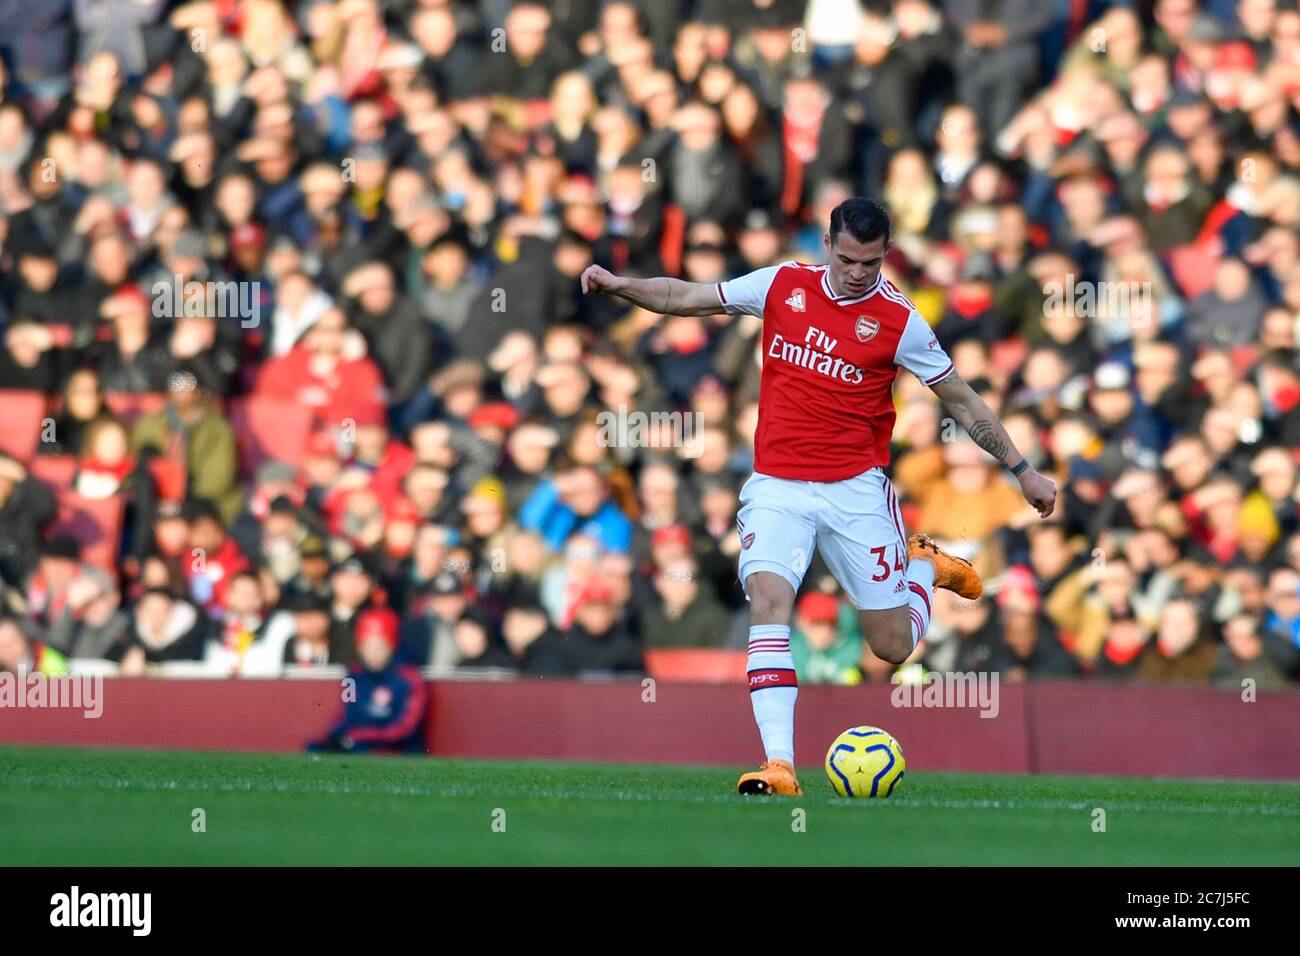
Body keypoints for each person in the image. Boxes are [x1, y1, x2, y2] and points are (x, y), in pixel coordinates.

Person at [582, 196, 1057, 796]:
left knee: (893, 648)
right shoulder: (782, 284)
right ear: (827, 244)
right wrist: (620, 285)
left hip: (856, 491)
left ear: (886, 256)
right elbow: (689, 298)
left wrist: (1022, 469)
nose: (860, 273)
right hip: (778, 485)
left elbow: (960, 398)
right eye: (850, 259)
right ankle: (778, 763)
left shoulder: (900, 320)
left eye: (873, 262)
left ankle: (920, 565)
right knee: (769, 599)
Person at [308, 607, 429, 754]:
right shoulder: (352, 677)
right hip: (359, 748)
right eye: (367, 646)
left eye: (380, 646)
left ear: (392, 645)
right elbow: (345, 715)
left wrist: (358, 737)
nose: (373, 653)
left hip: (397, 753)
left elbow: (405, 729)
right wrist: (334, 737)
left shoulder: (409, 678)